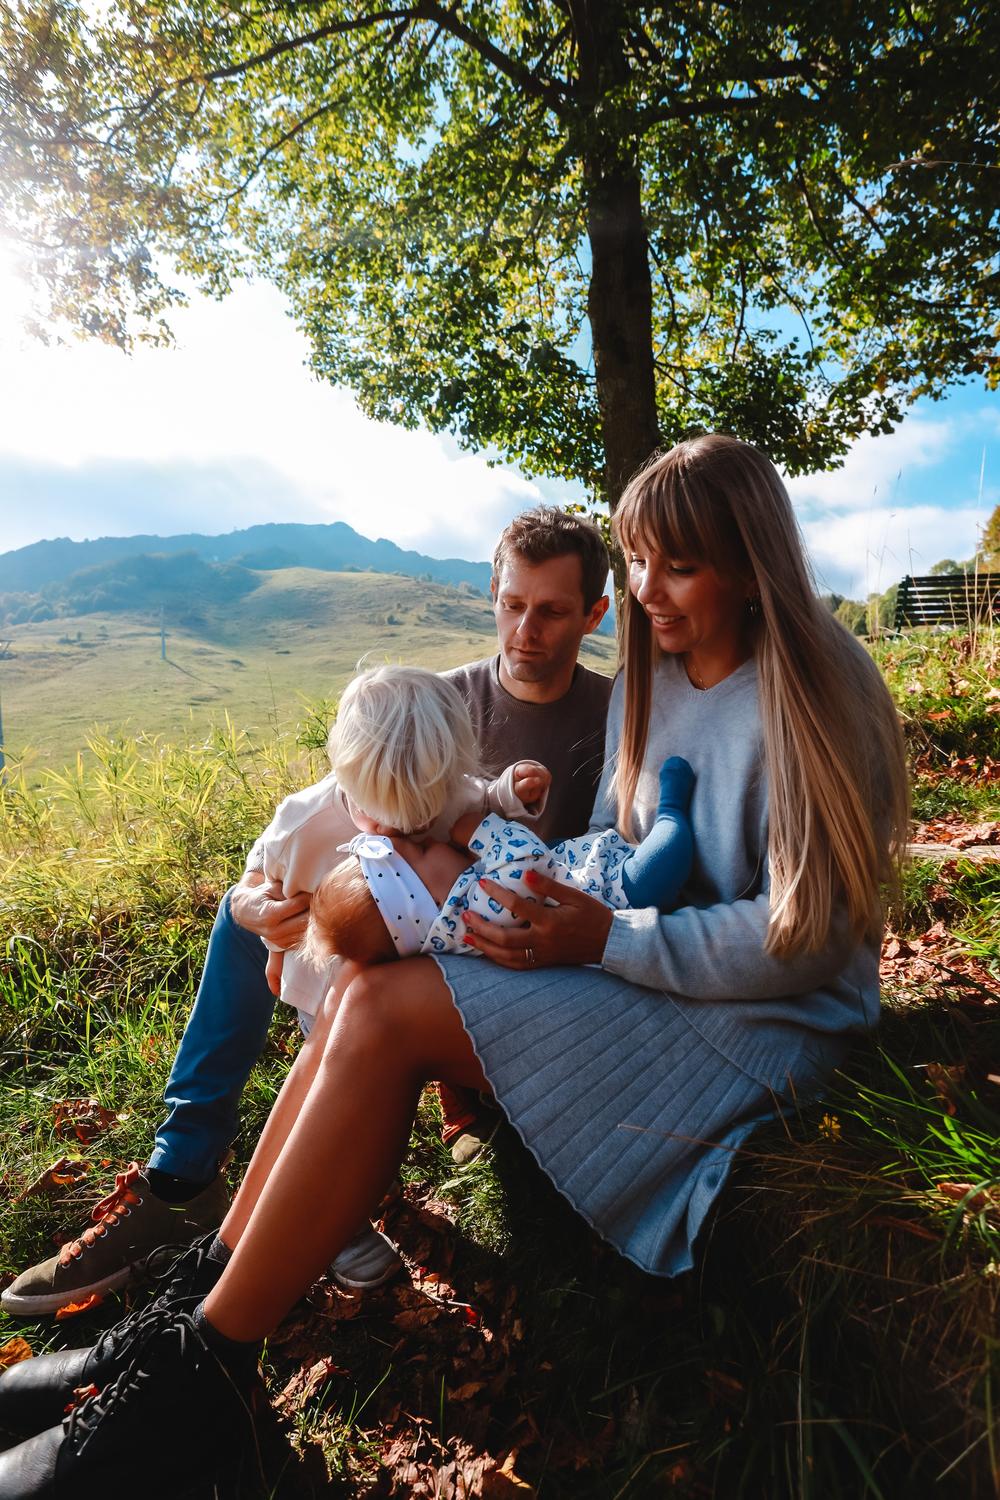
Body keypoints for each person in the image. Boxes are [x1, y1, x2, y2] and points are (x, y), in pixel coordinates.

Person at [0, 435, 909, 1499]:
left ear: (752, 565)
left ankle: (184, 1394)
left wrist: (602, 939)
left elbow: (813, 941)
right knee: (361, 998)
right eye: (636, 561)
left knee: (383, 1012)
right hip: (646, 970)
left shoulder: (814, 689)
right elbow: (629, 862)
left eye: (679, 565)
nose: (647, 592)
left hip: (763, 1018)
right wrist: (554, 903)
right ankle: (171, 1339)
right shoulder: (651, 682)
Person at [1, 505, 612, 1317]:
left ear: (595, 614)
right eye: (511, 603)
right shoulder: (444, 697)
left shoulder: (616, 719)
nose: (524, 630)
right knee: (249, 908)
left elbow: (596, 868)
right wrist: (262, 905)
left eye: (552, 611)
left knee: (347, 945)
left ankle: (319, 1206)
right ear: (492, 596)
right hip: (402, 927)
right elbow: (339, 801)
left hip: (500, 949)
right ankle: (183, 1175)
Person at [308, 754, 695, 967]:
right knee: (663, 864)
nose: (432, 840)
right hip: (619, 897)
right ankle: (672, 812)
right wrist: (479, 831)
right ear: (432, 902)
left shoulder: (459, 922)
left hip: (585, 880)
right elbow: (527, 861)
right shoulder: (481, 913)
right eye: (423, 850)